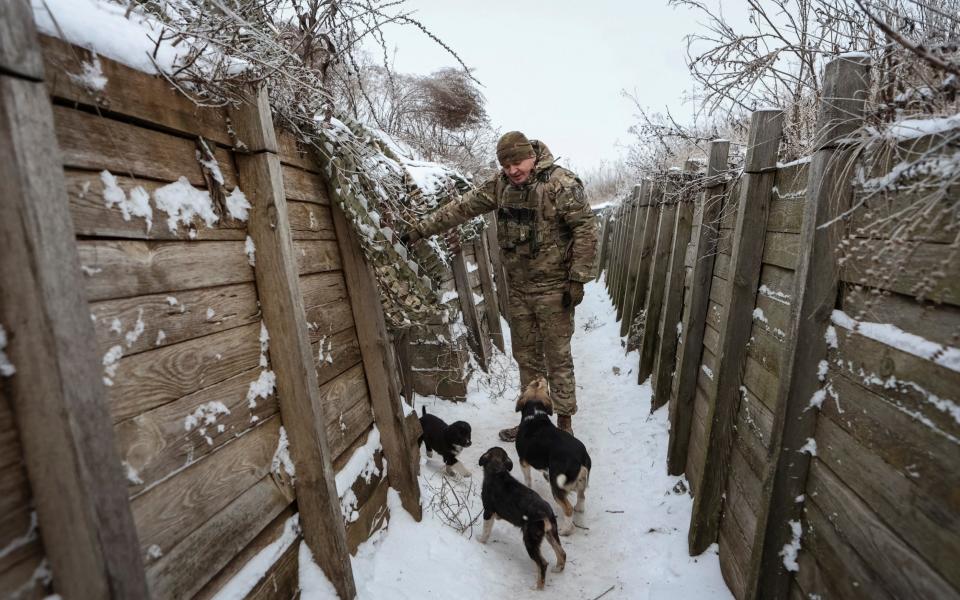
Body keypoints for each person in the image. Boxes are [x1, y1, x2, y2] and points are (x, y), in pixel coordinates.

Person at [404, 131, 598, 440]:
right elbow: (461, 208)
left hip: (554, 290)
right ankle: (531, 422)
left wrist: (578, 278)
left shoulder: (561, 184)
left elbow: (585, 230)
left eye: (517, 163)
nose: (512, 171)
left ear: (531, 156)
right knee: (526, 358)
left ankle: (564, 425)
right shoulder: (500, 186)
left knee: (558, 357)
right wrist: (419, 230)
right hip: (518, 291)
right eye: (506, 166)